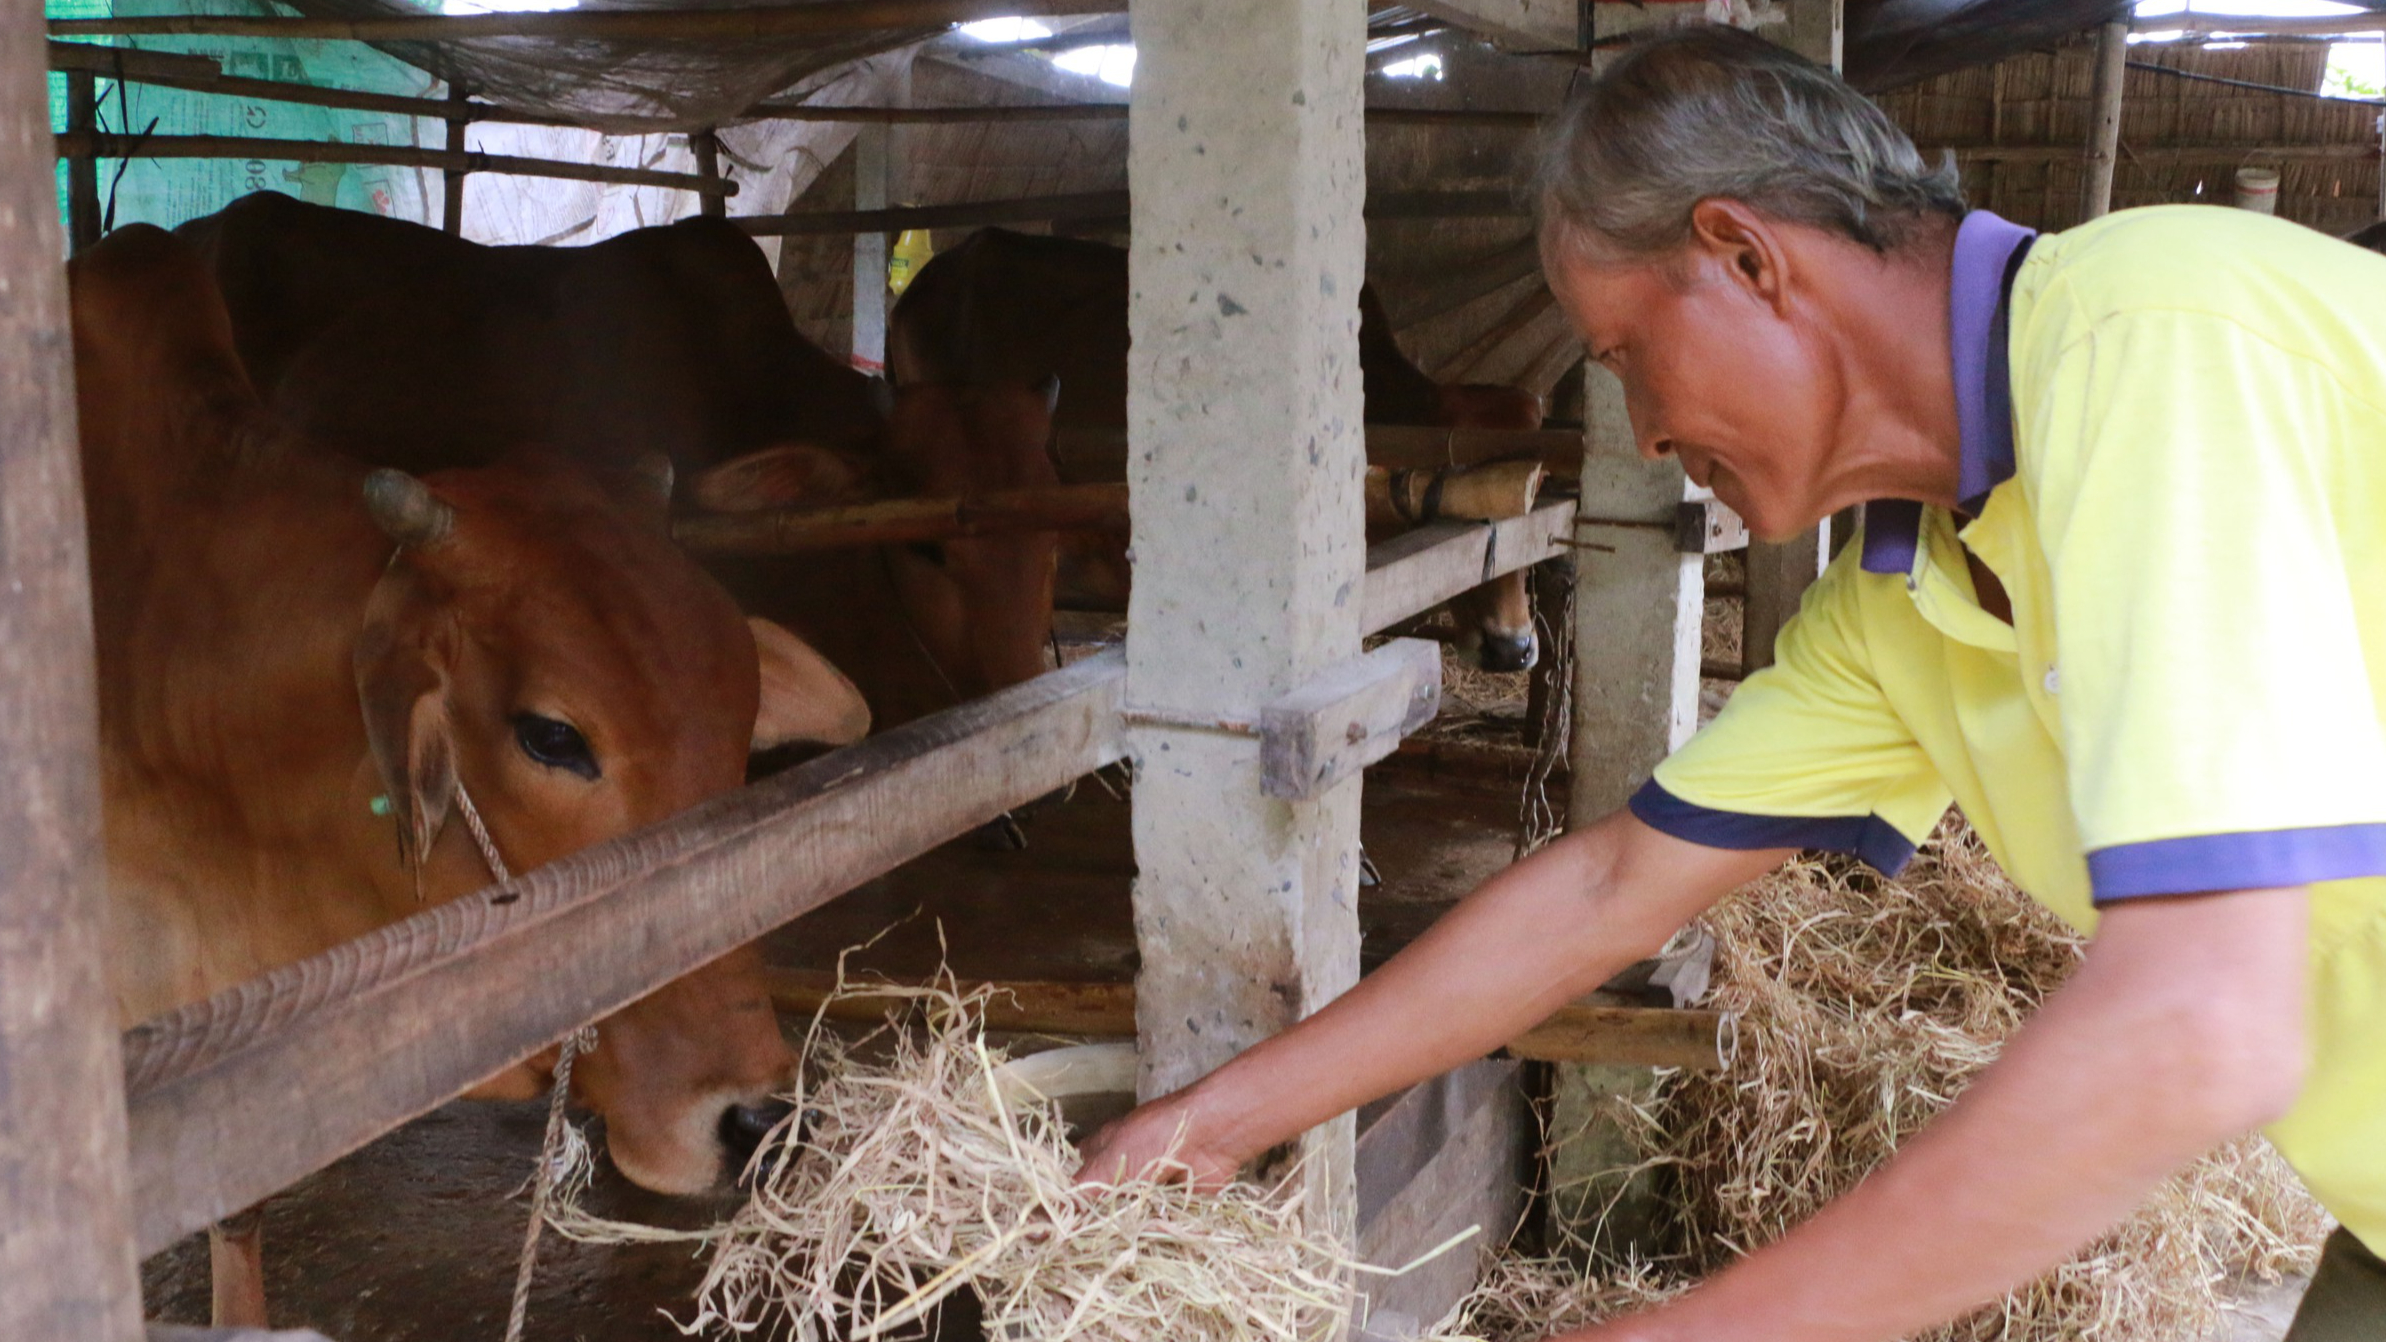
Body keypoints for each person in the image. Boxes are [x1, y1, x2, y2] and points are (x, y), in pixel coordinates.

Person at [1076, 25, 2386, 1342]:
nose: (1641, 432)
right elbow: (1611, 885)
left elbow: (2200, 1018)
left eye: (1625, 352)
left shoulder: (2154, 341)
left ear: (1747, 258)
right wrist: (1205, 1125)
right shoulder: (1902, 594)